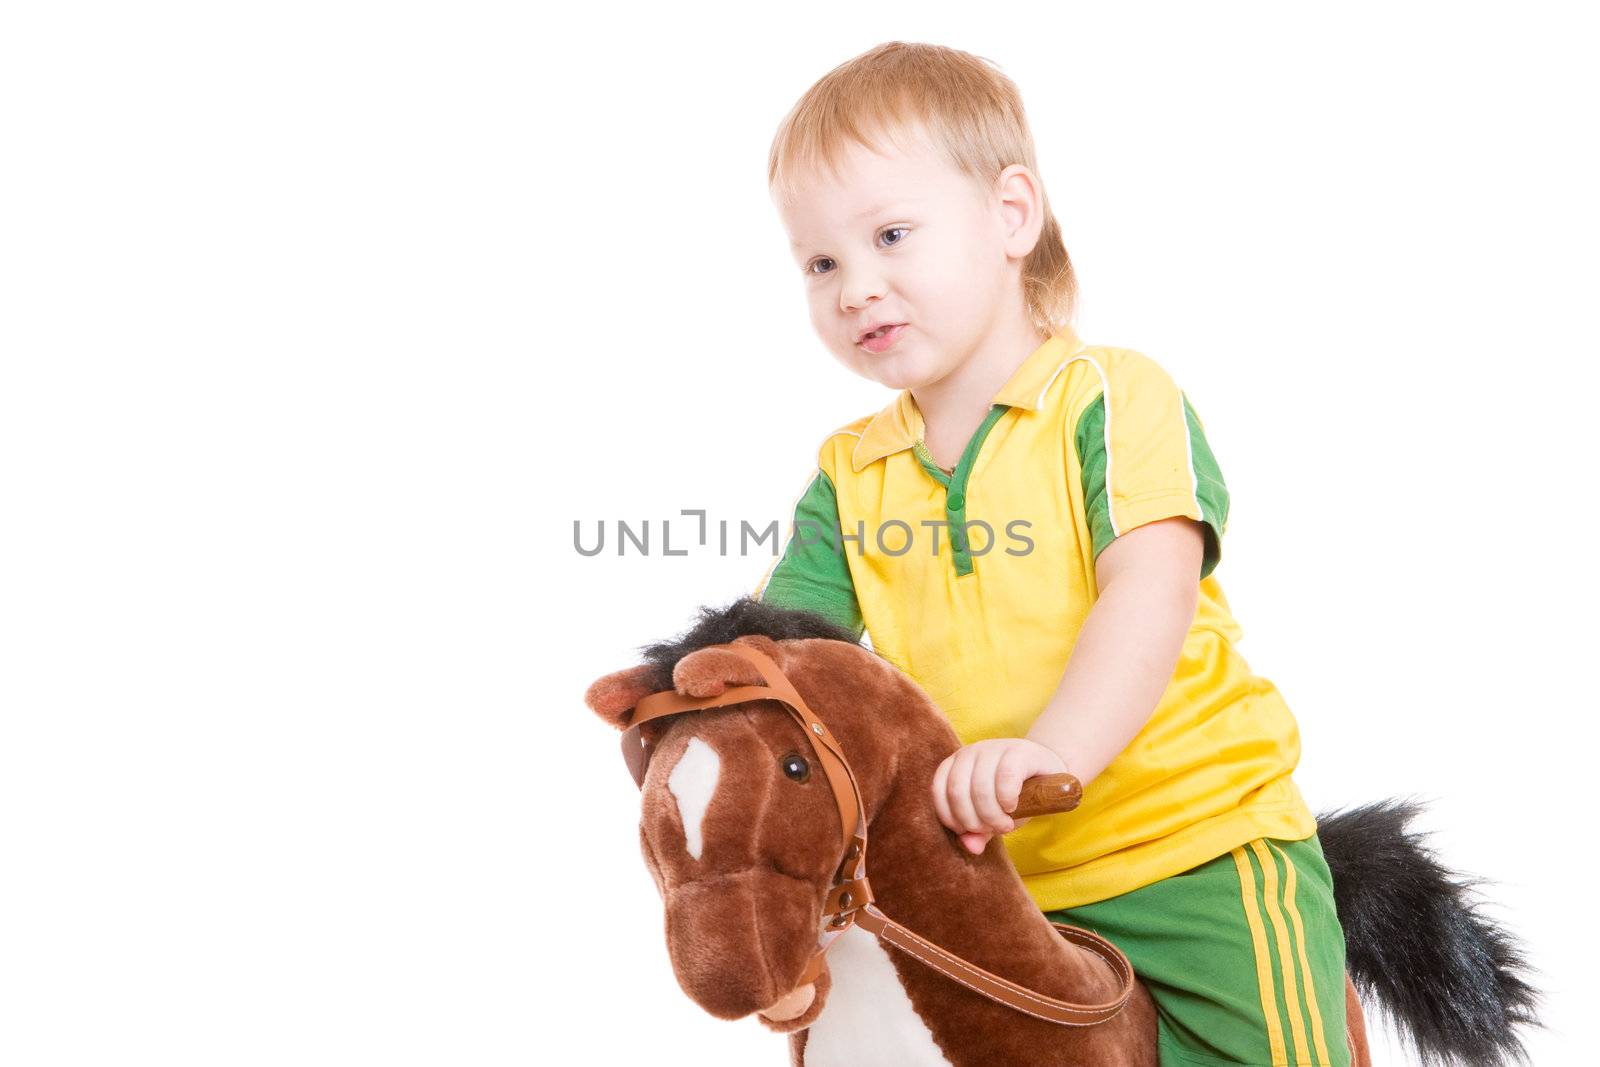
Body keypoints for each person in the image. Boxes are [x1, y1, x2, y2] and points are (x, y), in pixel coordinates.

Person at [751, 42, 1351, 1067]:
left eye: (891, 234)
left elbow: (1148, 586)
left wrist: (1053, 752)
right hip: (989, 873)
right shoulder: (851, 473)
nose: (856, 287)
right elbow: (785, 658)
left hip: (1189, 842)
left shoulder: (1110, 398)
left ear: (1010, 215)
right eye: (820, 263)